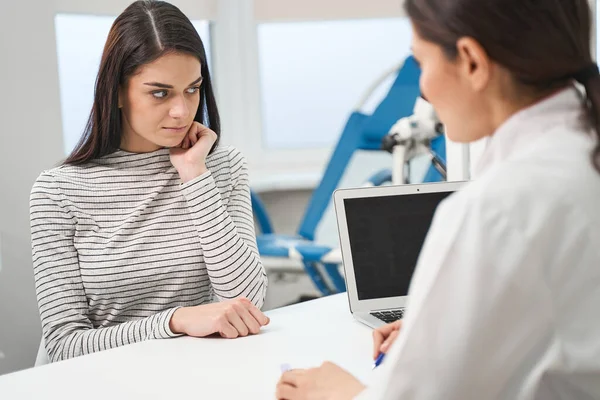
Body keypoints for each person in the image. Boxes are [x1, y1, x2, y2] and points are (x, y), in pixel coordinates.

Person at [276, 0, 600, 398]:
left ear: (472, 62)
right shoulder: (578, 156)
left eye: (421, 63)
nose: (424, 89)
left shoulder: (495, 206)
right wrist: (443, 326)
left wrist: (338, 392)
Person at [30, 0, 269, 363]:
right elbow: (64, 344)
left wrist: (194, 175)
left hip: (205, 371)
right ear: (119, 92)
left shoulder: (221, 166)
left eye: (193, 89)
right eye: (160, 93)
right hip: (106, 380)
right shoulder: (57, 191)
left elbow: (247, 301)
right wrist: (175, 321)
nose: (182, 111)